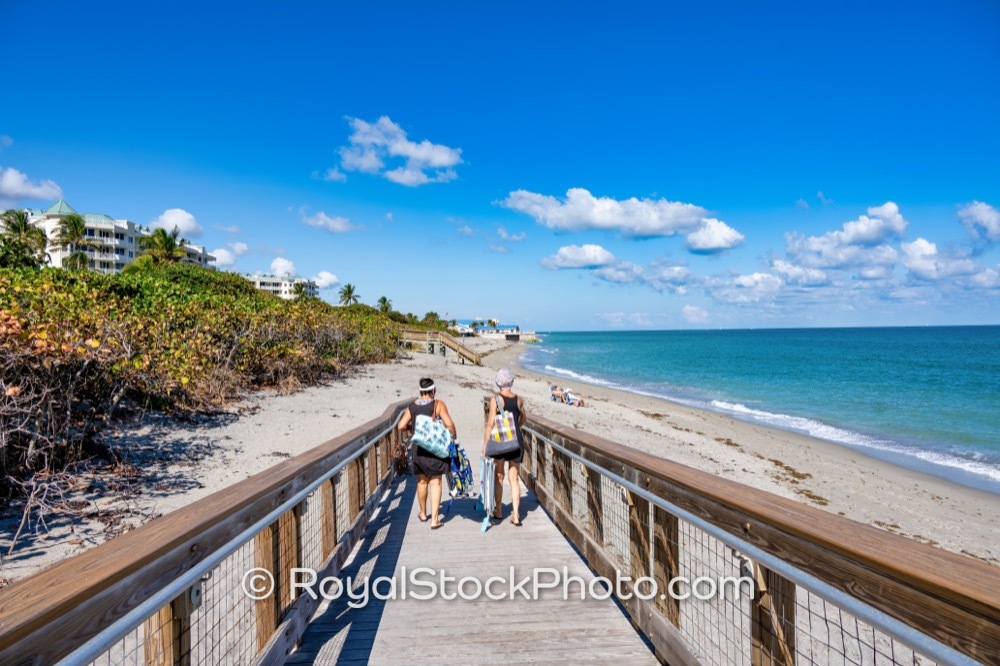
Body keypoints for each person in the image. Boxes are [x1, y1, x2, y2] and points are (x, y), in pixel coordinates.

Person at [397, 377, 456, 529]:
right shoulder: (438, 404)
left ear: (421, 391)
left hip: (419, 448)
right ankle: (435, 520)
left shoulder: (413, 406)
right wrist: (453, 439)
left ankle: (423, 513)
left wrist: (412, 429)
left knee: (422, 481)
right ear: (432, 391)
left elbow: (401, 425)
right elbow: (449, 424)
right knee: (435, 482)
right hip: (435, 448)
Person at [483, 367, 525, 526]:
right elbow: (522, 420)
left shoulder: (496, 400)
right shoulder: (518, 399)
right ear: (511, 381)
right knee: (514, 479)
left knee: (499, 476)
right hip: (516, 441)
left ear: (498, 382)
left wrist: (485, 446)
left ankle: (499, 510)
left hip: (501, 442)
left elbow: (490, 424)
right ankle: (516, 515)